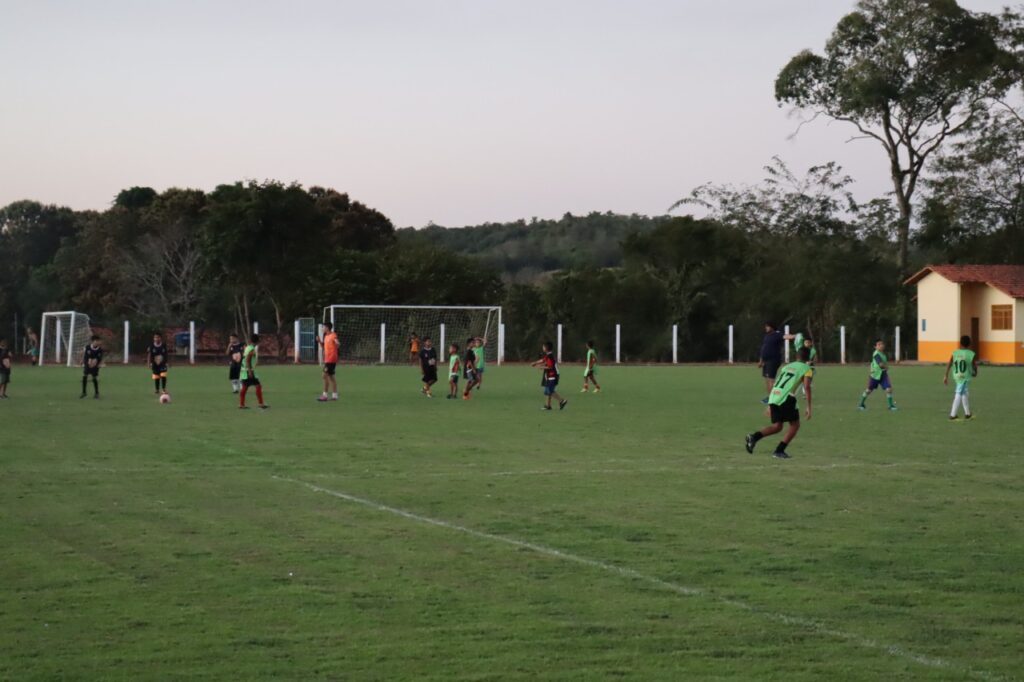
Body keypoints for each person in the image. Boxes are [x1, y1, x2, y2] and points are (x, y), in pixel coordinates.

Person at [745, 346, 813, 459]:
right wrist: (809, 408)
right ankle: (779, 451)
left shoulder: (787, 366)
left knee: (777, 426)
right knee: (795, 425)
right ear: (808, 357)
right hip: (787, 397)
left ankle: (754, 437)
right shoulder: (807, 369)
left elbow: (778, 383)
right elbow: (807, 387)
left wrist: (770, 403)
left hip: (774, 395)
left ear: (796, 356)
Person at [944, 335, 978, 421]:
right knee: (959, 393)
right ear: (969, 343)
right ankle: (953, 415)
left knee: (964, 393)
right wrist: (975, 373)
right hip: (964, 377)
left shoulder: (955, 353)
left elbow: (949, 363)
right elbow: (975, 365)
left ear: (960, 343)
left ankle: (968, 414)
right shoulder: (971, 354)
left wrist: (946, 375)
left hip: (957, 376)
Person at [858, 339, 897, 411]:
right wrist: (886, 367)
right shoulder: (876, 354)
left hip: (883, 375)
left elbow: (874, 363)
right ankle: (861, 404)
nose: (881, 345)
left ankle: (891, 406)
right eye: (879, 344)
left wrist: (874, 367)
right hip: (875, 376)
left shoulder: (883, 355)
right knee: (868, 390)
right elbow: (881, 365)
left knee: (889, 389)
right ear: (875, 347)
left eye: (882, 344)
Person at [531, 340, 567, 411]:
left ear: (546, 348)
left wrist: (540, 367)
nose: (542, 347)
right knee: (547, 391)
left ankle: (562, 401)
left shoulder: (550, 357)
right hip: (550, 376)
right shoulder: (548, 356)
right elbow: (543, 360)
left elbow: (550, 367)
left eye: (543, 346)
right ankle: (548, 406)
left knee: (550, 391)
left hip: (552, 376)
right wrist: (535, 363)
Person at [758, 321, 785, 404]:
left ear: (772, 327)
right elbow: (764, 349)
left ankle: (774, 399)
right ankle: (770, 397)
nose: (766, 328)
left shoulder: (777, 334)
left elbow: (786, 336)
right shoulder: (767, 336)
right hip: (766, 361)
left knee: (771, 380)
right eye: (765, 326)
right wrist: (761, 361)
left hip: (773, 360)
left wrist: (795, 336)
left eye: (767, 326)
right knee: (767, 379)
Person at [239, 333, 268, 409]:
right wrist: (250, 371)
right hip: (249, 371)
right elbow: (248, 361)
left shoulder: (248, 347)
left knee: (245, 387)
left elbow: (246, 359)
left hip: (245, 370)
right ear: (258, 341)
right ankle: (261, 404)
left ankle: (242, 404)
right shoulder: (251, 349)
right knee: (258, 386)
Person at [317, 322, 340, 402]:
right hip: (328, 359)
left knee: (324, 376)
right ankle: (335, 395)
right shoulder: (326, 336)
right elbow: (323, 346)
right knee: (331, 377)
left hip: (331, 359)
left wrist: (337, 343)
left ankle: (324, 395)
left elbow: (336, 341)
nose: (322, 328)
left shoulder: (333, 335)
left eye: (323, 327)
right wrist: (319, 341)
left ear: (327, 328)